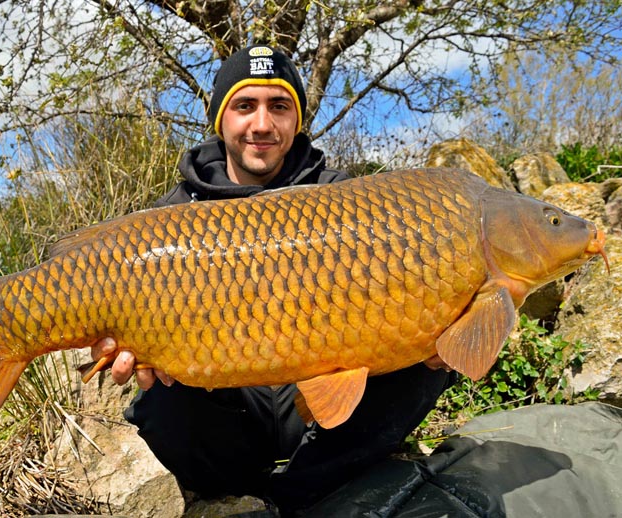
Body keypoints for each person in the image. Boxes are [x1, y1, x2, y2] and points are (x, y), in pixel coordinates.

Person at [98, 45, 456, 514]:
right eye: (245, 106)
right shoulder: (172, 219)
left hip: (317, 406)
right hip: (228, 406)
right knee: (160, 392)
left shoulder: (344, 197)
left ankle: (305, 491)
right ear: (219, 118)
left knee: (420, 355)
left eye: (279, 107)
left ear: (298, 119)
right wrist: (128, 347)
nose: (262, 124)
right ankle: (232, 489)